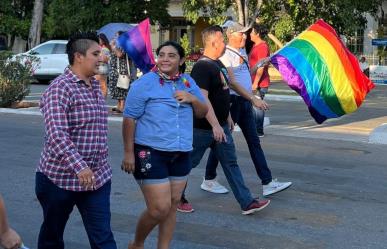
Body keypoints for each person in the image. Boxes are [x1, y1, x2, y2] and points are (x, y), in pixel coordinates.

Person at [122, 41, 207, 249]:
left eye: (171, 55)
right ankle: (137, 243)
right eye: (161, 55)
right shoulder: (144, 84)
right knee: (159, 208)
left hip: (181, 152)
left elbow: (202, 112)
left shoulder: (187, 82)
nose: (165, 59)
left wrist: (192, 99)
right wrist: (128, 153)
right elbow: (129, 119)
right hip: (150, 152)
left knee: (172, 205)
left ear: (181, 60)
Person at [177, 25, 270, 215]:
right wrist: (214, 125)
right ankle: (177, 197)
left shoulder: (218, 64)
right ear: (213, 43)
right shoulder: (202, 67)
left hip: (220, 127)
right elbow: (203, 99)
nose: (224, 44)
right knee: (187, 164)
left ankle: (247, 202)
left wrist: (227, 117)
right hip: (203, 129)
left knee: (231, 164)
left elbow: (224, 91)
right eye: (221, 40)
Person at [194, 21, 292, 204]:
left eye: (246, 34)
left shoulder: (239, 52)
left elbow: (241, 76)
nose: (245, 37)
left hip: (242, 103)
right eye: (241, 34)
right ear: (230, 35)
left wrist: (258, 67)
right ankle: (205, 179)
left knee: (249, 143)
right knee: (216, 145)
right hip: (234, 102)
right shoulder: (222, 57)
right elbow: (231, 84)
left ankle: (265, 184)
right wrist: (252, 98)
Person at [36, 32, 117, 249]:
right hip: (59, 180)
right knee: (52, 238)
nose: (102, 58)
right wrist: (81, 167)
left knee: (103, 238)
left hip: (97, 180)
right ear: (79, 57)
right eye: (96, 53)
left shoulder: (94, 86)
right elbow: (57, 134)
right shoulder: (60, 88)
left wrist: (96, 169)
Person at [249, 23, 270, 137]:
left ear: (257, 34)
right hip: (254, 82)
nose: (250, 35)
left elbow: (261, 67)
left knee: (258, 106)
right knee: (254, 106)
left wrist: (255, 83)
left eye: (251, 32)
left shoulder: (262, 47)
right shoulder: (255, 45)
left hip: (259, 83)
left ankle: (259, 130)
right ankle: (255, 129)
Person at [108, 31, 137, 114]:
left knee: (122, 88)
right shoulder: (119, 45)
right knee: (117, 88)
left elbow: (120, 54)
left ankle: (122, 107)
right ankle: (118, 105)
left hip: (122, 69)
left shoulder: (125, 45)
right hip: (116, 69)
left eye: (117, 35)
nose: (115, 37)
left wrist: (113, 46)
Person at [96, 33, 111, 98]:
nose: (98, 41)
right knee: (102, 84)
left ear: (103, 40)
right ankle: (102, 100)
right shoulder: (105, 48)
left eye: (99, 40)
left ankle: (102, 100)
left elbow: (104, 59)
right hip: (103, 67)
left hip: (101, 67)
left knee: (102, 85)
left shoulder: (104, 49)